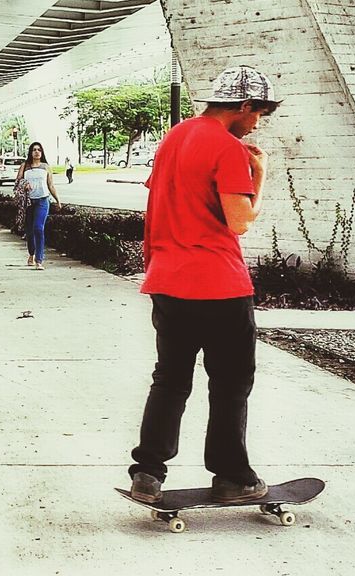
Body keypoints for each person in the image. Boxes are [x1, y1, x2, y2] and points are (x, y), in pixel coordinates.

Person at [126, 65, 282, 505]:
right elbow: (240, 221)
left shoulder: (174, 138)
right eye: (259, 114)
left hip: (167, 280)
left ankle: (148, 472)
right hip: (219, 285)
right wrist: (260, 174)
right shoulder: (229, 149)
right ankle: (233, 476)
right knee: (231, 383)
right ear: (245, 106)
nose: (257, 124)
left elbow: (160, 204)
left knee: (170, 380)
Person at [15, 142, 60, 270]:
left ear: (42, 152)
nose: (36, 152)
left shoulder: (46, 167)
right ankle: (31, 254)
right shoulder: (25, 166)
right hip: (28, 202)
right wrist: (24, 184)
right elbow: (18, 181)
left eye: (39, 150)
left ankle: (39, 260)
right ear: (30, 152)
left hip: (42, 200)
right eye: (34, 150)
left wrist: (58, 200)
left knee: (38, 228)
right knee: (29, 232)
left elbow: (51, 185)